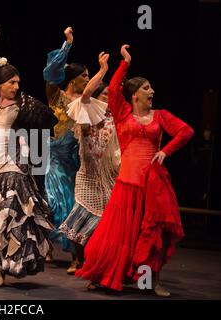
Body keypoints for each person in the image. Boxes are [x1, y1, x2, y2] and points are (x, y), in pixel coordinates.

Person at [76, 45, 194, 297]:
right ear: (135, 95)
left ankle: (152, 282)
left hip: (151, 184)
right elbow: (116, 86)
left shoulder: (160, 116)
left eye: (151, 88)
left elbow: (186, 131)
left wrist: (165, 151)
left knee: (152, 236)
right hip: (126, 183)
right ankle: (105, 275)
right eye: (146, 88)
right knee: (118, 235)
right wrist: (124, 63)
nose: (152, 92)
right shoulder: (122, 113)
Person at [0, 28, 56, 287]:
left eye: (18, 82)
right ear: (0, 85)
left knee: (7, 220)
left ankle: (1, 270)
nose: (17, 86)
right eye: (12, 82)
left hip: (11, 165)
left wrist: (27, 144)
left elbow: (49, 120)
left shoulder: (23, 104)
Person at [59, 52, 121, 275]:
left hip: (109, 177)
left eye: (108, 95)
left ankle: (98, 262)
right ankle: (80, 259)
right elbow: (85, 95)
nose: (107, 98)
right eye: (104, 94)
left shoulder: (113, 118)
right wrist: (103, 70)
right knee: (79, 221)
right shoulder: (86, 115)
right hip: (88, 176)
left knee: (104, 224)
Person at [42, 27, 81, 260]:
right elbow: (51, 73)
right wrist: (67, 45)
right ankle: (46, 244)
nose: (87, 80)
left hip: (74, 159)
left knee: (73, 205)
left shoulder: (86, 102)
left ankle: (77, 254)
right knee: (54, 201)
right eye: (84, 76)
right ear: (74, 79)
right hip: (54, 157)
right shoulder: (55, 96)